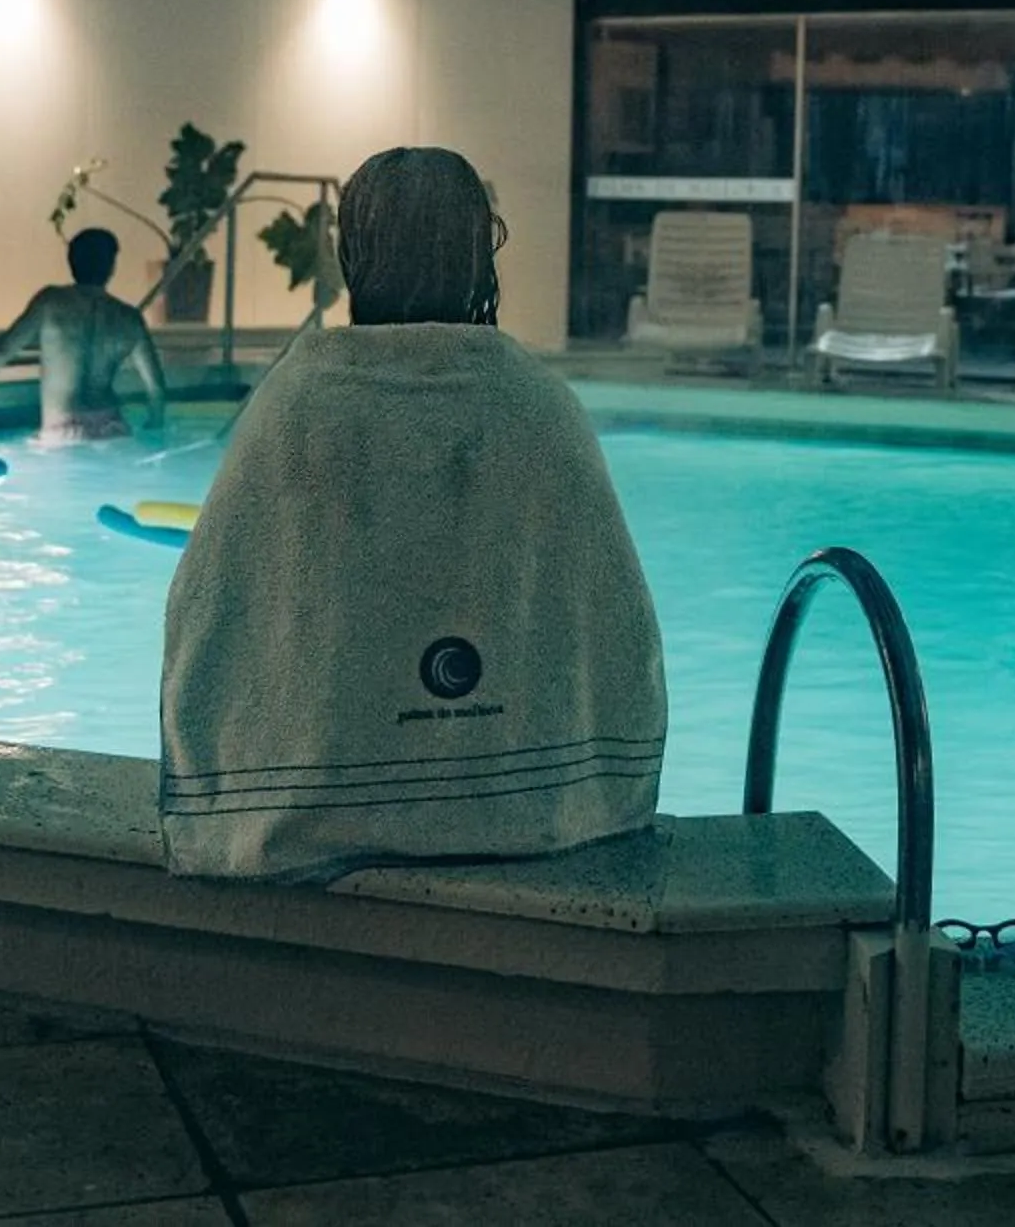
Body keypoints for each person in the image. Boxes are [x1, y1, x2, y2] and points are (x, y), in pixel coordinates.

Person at [160, 147, 667, 881]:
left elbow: (215, 617)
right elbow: (612, 626)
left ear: (353, 256)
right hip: (529, 817)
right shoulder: (539, 407)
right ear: (480, 256)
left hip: (313, 816)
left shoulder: (297, 405)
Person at [0, 228, 167, 443]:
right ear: (111, 267)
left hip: (62, 430)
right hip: (113, 428)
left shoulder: (50, 302)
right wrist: (155, 422)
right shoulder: (129, 317)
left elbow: (2, 351)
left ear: (71, 263)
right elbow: (156, 386)